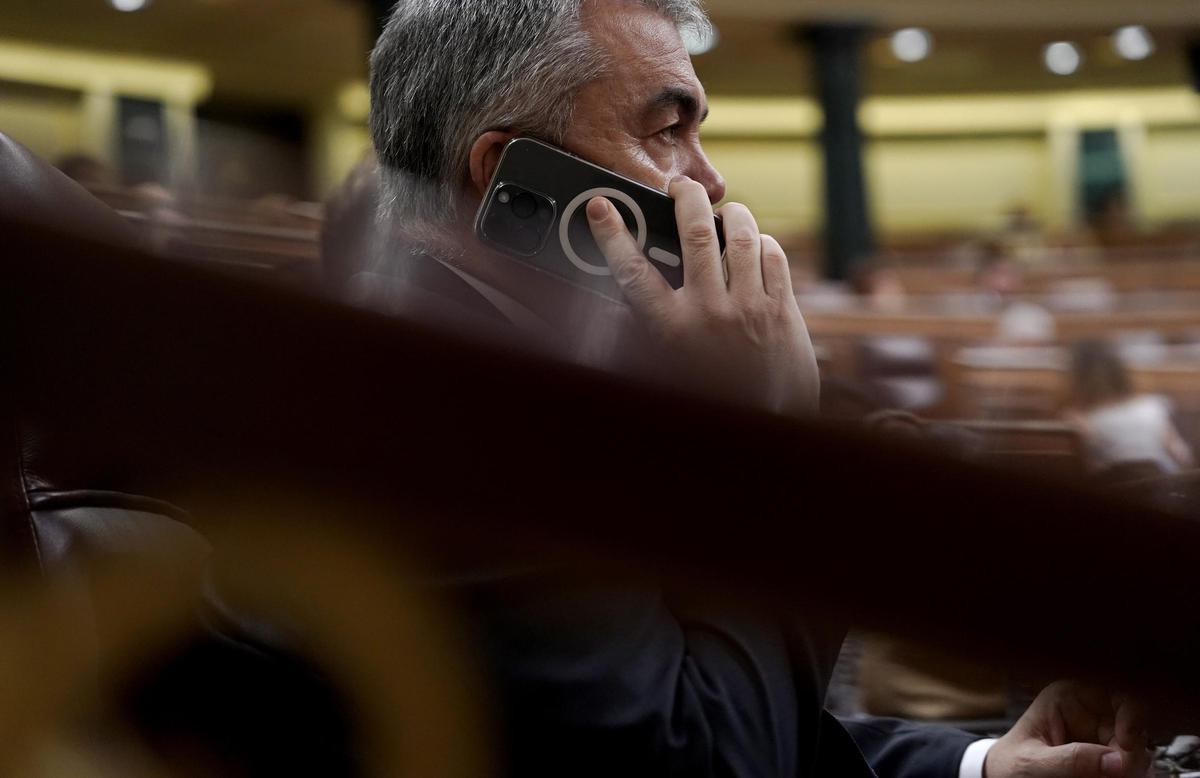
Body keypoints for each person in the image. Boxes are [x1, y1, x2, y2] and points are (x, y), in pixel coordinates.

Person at [368, 2, 1152, 776]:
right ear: (508, 178)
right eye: (667, 130)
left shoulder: (523, 377)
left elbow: (702, 702)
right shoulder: (444, 428)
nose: (710, 179)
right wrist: (768, 445)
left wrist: (980, 767)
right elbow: (707, 757)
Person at [1066, 338, 1194, 477]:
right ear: (1122, 372)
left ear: (1076, 379)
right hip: (1164, 484)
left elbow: (1089, 468)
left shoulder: (1080, 420)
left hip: (1115, 492)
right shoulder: (1151, 407)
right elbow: (1182, 456)